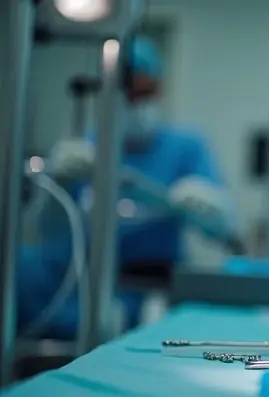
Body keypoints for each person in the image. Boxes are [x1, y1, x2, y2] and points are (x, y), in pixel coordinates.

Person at [17, 36, 236, 338]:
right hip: (78, 288)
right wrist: (57, 183)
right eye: (129, 92)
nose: (137, 103)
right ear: (108, 94)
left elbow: (224, 231)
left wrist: (211, 210)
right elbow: (49, 229)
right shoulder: (85, 149)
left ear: (160, 90)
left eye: (146, 92)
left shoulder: (187, 147)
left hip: (153, 288)